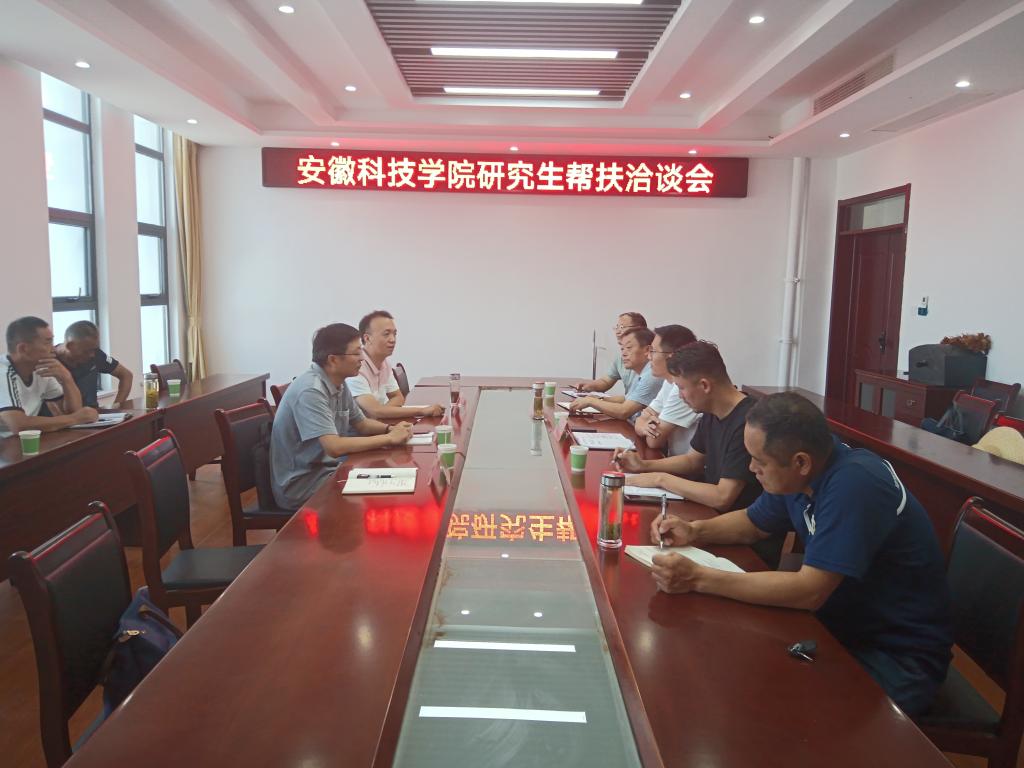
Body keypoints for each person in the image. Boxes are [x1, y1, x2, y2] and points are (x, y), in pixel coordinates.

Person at [649, 392, 953, 716]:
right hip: (838, 628)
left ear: (801, 462)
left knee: (770, 712)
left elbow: (810, 591)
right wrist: (695, 531)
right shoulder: (802, 472)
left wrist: (697, 578)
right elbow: (753, 523)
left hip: (895, 656)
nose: (751, 468)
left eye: (759, 461)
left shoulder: (855, 484)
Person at [270, 322, 414, 510]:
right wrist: (389, 438)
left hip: (329, 469)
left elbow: (362, 424)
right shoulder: (310, 391)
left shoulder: (338, 382)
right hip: (302, 483)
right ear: (333, 360)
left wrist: (391, 429)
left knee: (396, 479)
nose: (362, 358)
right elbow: (334, 447)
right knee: (380, 498)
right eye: (356, 353)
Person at [613, 340, 761, 511]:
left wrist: (660, 479)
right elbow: (693, 461)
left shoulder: (750, 422)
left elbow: (722, 497)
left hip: (731, 520)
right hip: (707, 510)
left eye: (681, 388)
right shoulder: (712, 411)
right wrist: (643, 465)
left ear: (704, 385)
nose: (680, 396)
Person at [1, 316, 97, 436]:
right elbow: (18, 425)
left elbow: (73, 411)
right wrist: (75, 419)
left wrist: (67, 378)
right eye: (47, 342)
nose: (53, 349)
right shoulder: (3, 373)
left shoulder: (41, 368)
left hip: (23, 440)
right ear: (23, 349)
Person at [346, 310, 444, 420]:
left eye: (394, 334)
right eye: (386, 334)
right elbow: (375, 411)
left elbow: (398, 398)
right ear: (367, 338)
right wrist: (422, 410)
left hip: (380, 424)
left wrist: (382, 412)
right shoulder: (355, 368)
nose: (393, 339)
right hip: (363, 430)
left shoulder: (384, 363)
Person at [568, 327, 660, 424]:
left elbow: (624, 411)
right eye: (622, 349)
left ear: (647, 350)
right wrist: (600, 399)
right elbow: (627, 399)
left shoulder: (651, 375)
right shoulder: (641, 372)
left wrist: (591, 401)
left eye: (629, 348)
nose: (623, 354)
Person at [633, 324, 700, 456]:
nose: (648, 356)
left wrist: (645, 423)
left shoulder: (683, 389)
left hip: (686, 465)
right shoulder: (668, 382)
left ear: (671, 357)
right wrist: (642, 426)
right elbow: (644, 416)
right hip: (672, 459)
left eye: (653, 351)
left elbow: (654, 441)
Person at [54, 320, 134, 408]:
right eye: (87, 351)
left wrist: (117, 407)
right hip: (67, 415)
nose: (92, 355)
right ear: (70, 346)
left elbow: (126, 375)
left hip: (94, 413)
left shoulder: (95, 354)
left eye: (94, 349)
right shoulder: (51, 363)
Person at [574, 311, 647, 393]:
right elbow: (606, 381)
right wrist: (589, 386)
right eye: (617, 327)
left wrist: (598, 400)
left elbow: (636, 399)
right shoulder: (621, 357)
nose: (617, 332)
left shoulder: (649, 358)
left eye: (622, 327)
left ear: (639, 330)